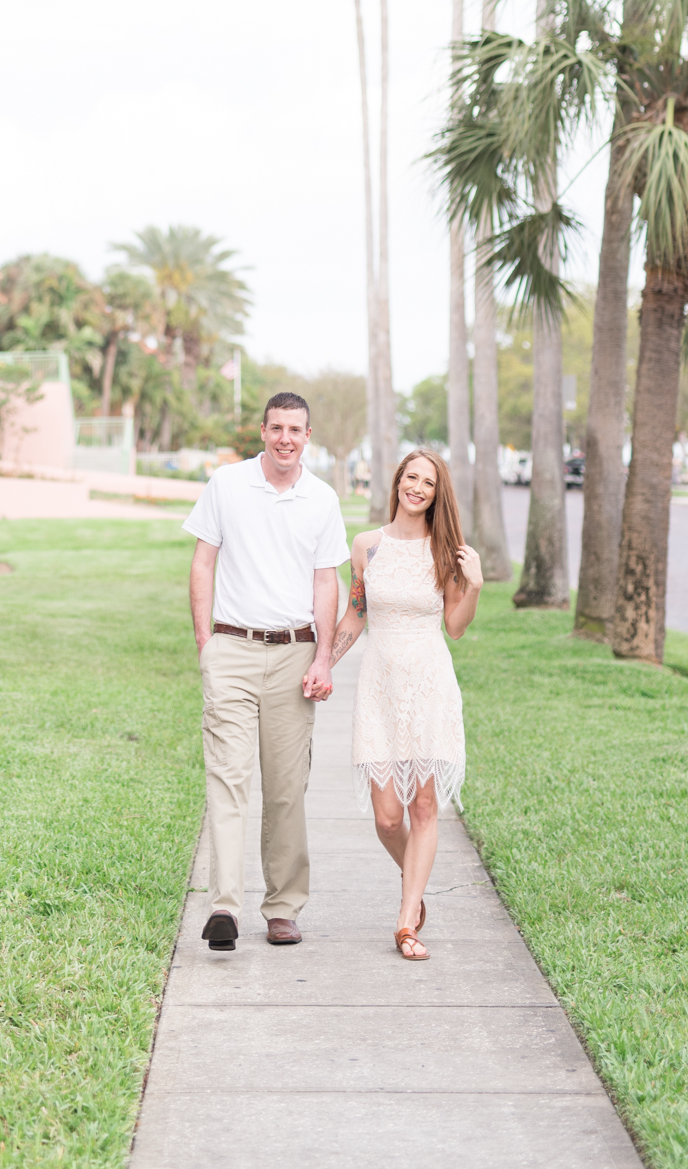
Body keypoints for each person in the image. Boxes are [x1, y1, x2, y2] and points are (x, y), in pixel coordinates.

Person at [183, 391, 349, 952]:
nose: (284, 438)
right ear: (262, 431)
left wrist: (323, 657)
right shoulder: (227, 485)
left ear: (308, 436)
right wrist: (207, 643)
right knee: (227, 780)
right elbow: (202, 561)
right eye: (276, 427)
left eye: (295, 430)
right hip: (231, 649)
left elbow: (326, 582)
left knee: (285, 791)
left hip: (294, 654)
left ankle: (282, 907)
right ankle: (224, 907)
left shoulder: (321, 500)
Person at [327, 451, 483, 960]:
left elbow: (456, 628)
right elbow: (355, 616)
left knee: (423, 806)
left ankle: (406, 920)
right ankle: (412, 876)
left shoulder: (449, 552)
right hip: (378, 684)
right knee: (389, 818)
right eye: (411, 478)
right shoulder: (367, 547)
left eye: (428, 483)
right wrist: (323, 662)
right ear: (397, 482)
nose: (417, 488)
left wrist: (474, 584)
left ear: (438, 494)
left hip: (429, 683)